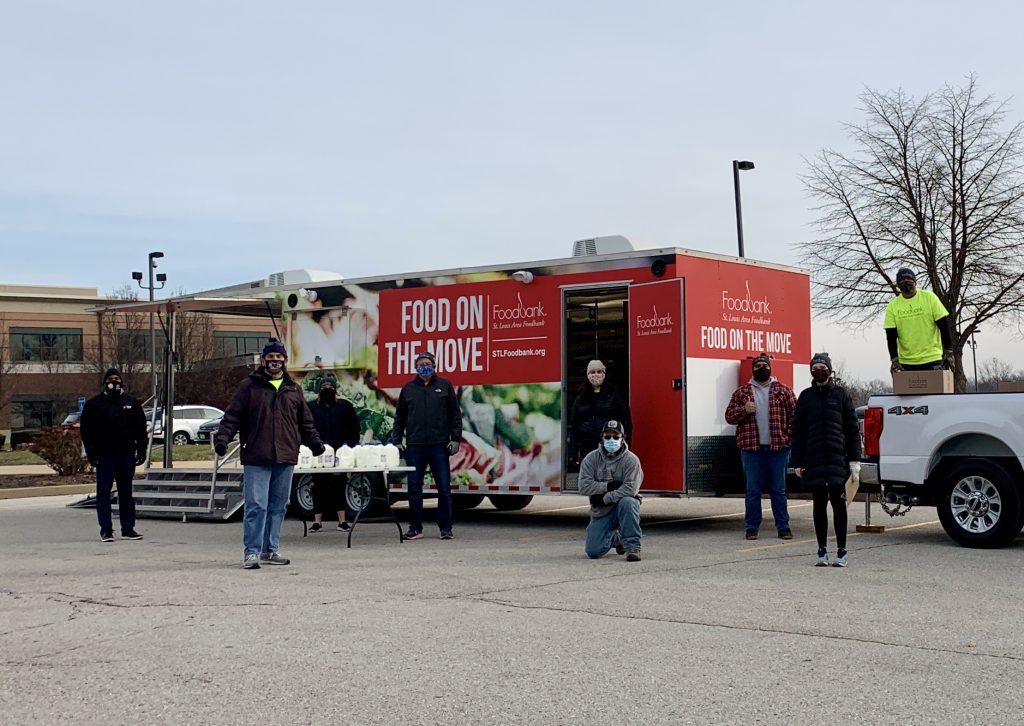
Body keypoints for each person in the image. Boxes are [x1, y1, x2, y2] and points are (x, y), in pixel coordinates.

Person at [214, 338, 325, 569]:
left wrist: (315, 443)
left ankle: (270, 549)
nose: (275, 362)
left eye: (279, 358)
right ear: (264, 360)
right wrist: (223, 439)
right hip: (257, 455)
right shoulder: (249, 386)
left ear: (284, 360)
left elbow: (305, 421)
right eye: (270, 358)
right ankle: (252, 552)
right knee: (257, 505)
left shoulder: (293, 389)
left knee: (278, 505)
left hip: (285, 456)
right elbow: (232, 416)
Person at [791, 353, 862, 568]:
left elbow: (852, 429)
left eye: (823, 366)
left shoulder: (841, 395)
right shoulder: (805, 396)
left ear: (830, 370)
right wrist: (797, 462)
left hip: (838, 459)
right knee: (819, 506)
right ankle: (821, 550)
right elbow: (798, 432)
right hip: (814, 459)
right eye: (815, 367)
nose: (819, 370)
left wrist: (854, 461)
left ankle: (842, 551)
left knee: (839, 506)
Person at [390, 350, 462, 540]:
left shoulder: (445, 386)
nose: (424, 367)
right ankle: (415, 528)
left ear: (434, 365)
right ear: (415, 367)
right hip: (415, 447)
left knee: (444, 489)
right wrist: (396, 441)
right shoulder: (408, 389)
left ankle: (446, 528)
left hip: (439, 446)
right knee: (414, 490)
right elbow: (400, 418)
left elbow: (455, 415)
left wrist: (455, 439)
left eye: (427, 364)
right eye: (421, 364)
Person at [724, 353, 797, 541]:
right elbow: (729, 417)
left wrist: (787, 437)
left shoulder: (783, 390)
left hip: (778, 449)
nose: (761, 368)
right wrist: (743, 410)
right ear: (752, 369)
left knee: (778, 490)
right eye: (757, 366)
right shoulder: (742, 393)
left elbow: (795, 416)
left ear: (770, 368)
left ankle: (783, 527)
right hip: (751, 448)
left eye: (765, 365)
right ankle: (751, 527)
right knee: (752, 490)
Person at [80, 368, 148, 543]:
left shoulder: (131, 403)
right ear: (105, 382)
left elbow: (141, 430)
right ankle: (106, 530)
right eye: (110, 379)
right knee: (104, 493)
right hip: (104, 457)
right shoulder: (94, 405)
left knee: (126, 493)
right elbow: (86, 433)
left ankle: (128, 528)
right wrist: (91, 454)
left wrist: (141, 450)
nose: (114, 382)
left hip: (126, 455)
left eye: (117, 379)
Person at [578, 420, 644, 562]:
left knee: (629, 501)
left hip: (621, 505)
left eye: (615, 437)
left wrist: (605, 498)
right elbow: (583, 486)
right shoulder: (591, 459)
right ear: (602, 436)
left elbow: (630, 488)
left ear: (623, 438)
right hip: (602, 511)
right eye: (608, 437)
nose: (611, 440)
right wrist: (609, 486)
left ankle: (633, 547)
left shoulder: (631, 461)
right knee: (593, 552)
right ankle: (616, 538)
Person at [307, 377, 360, 533]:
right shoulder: (311, 408)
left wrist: (350, 448)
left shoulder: (345, 407)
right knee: (318, 487)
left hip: (340, 454)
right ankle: (317, 522)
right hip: (318, 453)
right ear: (319, 390)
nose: (327, 390)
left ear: (335, 389)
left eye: (330, 388)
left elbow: (354, 428)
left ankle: (342, 521)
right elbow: (305, 428)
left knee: (338, 486)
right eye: (324, 388)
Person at [884, 267, 954, 372]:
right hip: (906, 362)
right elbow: (891, 336)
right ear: (898, 284)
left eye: (908, 278)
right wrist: (894, 359)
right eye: (901, 280)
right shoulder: (892, 306)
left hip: (932, 359)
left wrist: (948, 352)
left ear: (914, 281)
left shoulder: (929, 298)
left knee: (936, 389)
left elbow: (943, 326)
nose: (905, 281)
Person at [568, 360, 632, 466]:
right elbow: (573, 426)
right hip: (586, 446)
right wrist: (572, 453)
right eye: (592, 372)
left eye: (599, 371)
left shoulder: (614, 394)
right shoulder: (581, 397)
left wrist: (625, 445)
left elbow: (626, 421)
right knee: (589, 476)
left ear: (604, 374)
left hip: (608, 444)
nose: (596, 375)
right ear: (587, 375)